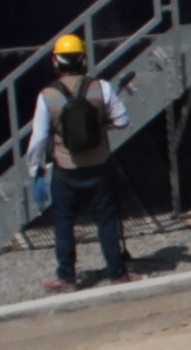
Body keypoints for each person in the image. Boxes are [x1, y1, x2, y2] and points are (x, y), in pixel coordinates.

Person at [23, 29, 127, 286]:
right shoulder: (102, 88)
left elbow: (38, 139)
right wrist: (104, 122)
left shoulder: (47, 96)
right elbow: (123, 120)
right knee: (106, 219)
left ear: (56, 62)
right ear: (84, 59)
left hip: (66, 168)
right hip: (99, 165)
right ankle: (118, 273)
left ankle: (66, 276)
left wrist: (35, 170)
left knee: (64, 221)